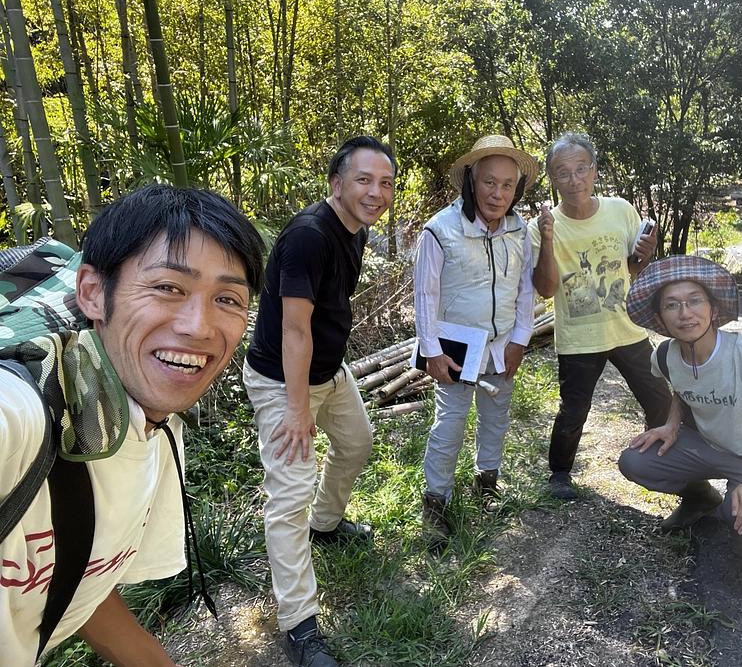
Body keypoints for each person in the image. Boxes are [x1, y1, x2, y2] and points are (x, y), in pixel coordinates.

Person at [0, 184, 266, 666]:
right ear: (93, 293)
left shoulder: (151, 422)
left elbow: (73, 572)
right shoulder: (24, 411)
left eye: (228, 299)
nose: (199, 326)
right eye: (168, 287)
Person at [242, 136, 397, 666]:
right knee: (289, 497)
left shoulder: (356, 229)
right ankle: (299, 627)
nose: (376, 193)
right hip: (283, 380)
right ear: (336, 183)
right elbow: (293, 328)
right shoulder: (309, 236)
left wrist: (325, 379)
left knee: (356, 443)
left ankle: (326, 526)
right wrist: (297, 406)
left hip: (328, 372)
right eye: (364, 180)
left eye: (385, 183)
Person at [619, 255, 742, 557]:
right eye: (672, 305)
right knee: (635, 461)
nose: (685, 313)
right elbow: (682, 388)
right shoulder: (664, 356)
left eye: (695, 301)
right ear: (660, 319)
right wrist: (672, 424)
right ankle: (701, 499)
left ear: (713, 310)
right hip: (708, 445)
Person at [529, 132, 672, 500]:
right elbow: (546, 288)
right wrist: (548, 240)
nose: (574, 180)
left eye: (581, 169)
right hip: (579, 337)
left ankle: (659, 457)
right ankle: (560, 474)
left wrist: (644, 254)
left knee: (660, 398)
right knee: (574, 409)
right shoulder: (541, 226)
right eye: (563, 173)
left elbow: (632, 268)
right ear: (553, 179)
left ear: (594, 171)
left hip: (627, 327)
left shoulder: (621, 210)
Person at [414, 134, 536, 543]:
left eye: (507, 185)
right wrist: (431, 351)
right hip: (456, 346)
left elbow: (525, 290)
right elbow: (425, 295)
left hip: (502, 346)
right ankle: (436, 501)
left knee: (496, 415)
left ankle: (487, 482)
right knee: (449, 423)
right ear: (471, 181)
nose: (497, 194)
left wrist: (520, 339)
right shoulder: (440, 230)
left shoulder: (519, 231)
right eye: (489, 182)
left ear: (516, 190)